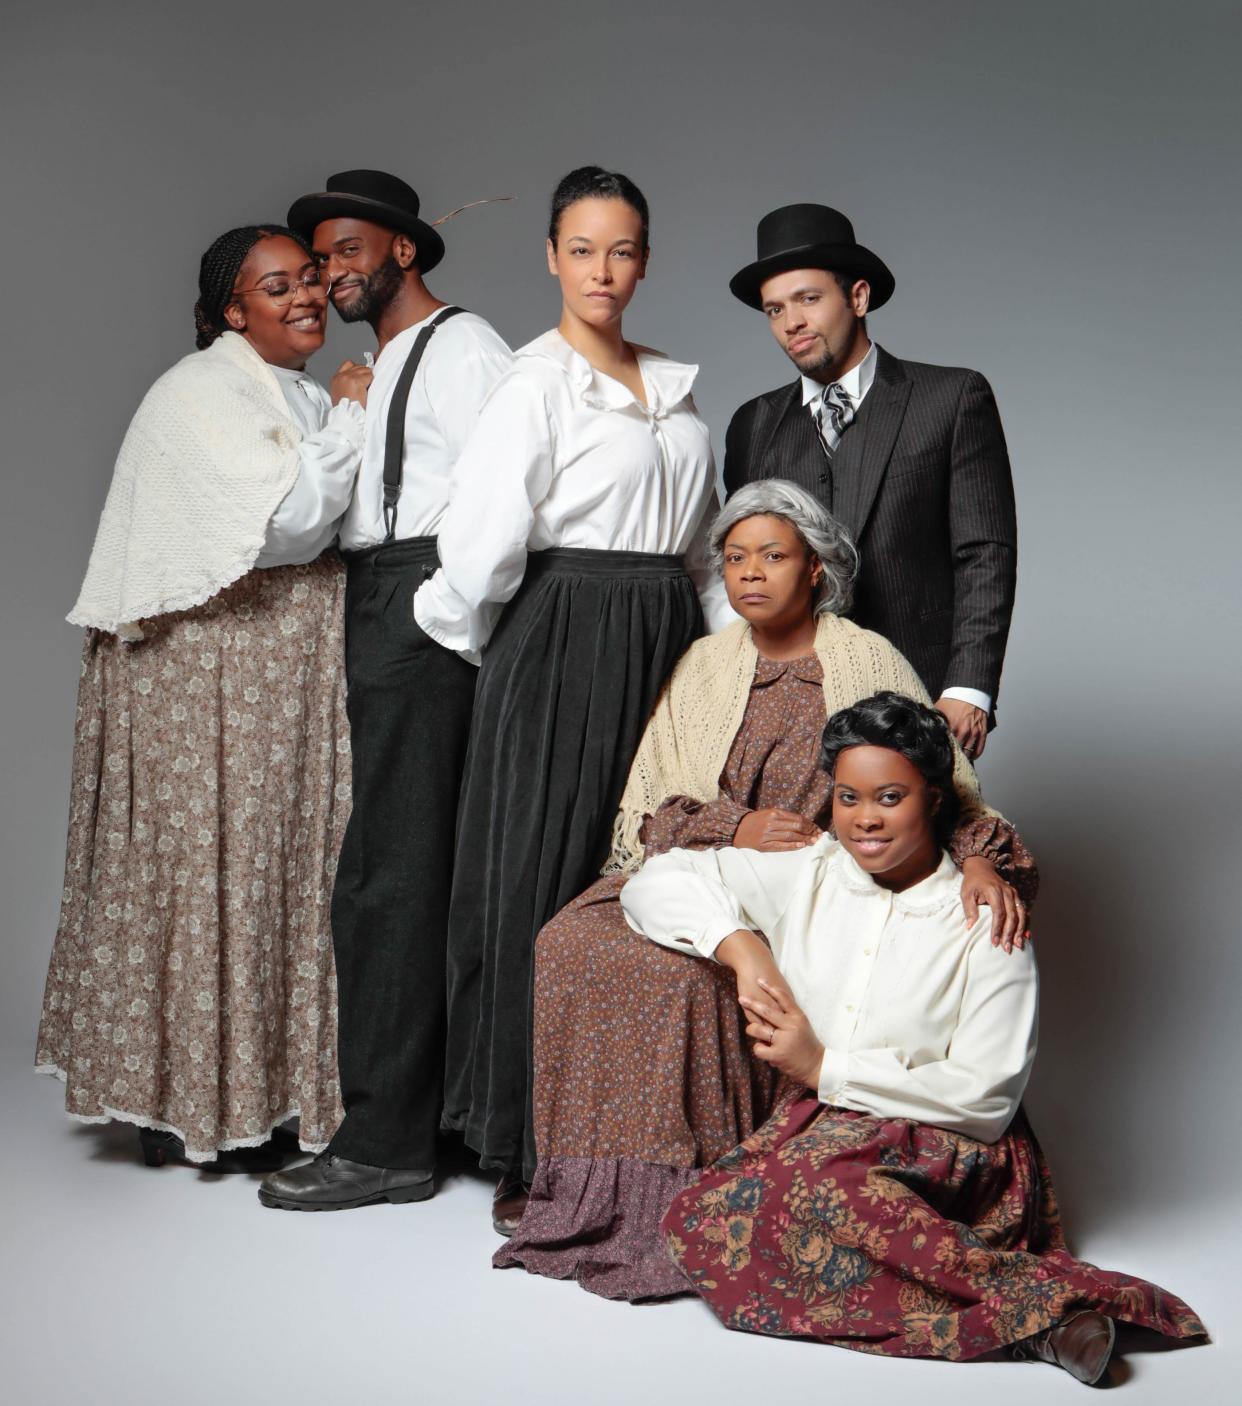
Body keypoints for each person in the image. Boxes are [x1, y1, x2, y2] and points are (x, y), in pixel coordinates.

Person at [496, 480, 1035, 1297]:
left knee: (674, 977)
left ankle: (675, 1193)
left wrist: (985, 858)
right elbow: (652, 802)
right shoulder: (708, 663)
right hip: (715, 861)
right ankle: (581, 1190)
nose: (751, 574)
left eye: (773, 556)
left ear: (816, 568)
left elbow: (931, 782)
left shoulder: (865, 656)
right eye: (735, 558)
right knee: (568, 942)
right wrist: (732, 825)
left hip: (814, 883)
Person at [623, 694, 1205, 1381]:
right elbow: (655, 881)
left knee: (807, 1194)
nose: (865, 818)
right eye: (847, 797)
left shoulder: (987, 915)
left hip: (952, 1144)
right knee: (698, 1219)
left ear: (932, 799)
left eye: (889, 797)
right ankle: (1032, 1323)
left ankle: (1055, 1316)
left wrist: (824, 1065)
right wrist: (742, 948)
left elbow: (985, 1099)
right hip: (829, 1132)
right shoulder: (812, 872)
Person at [414, 165, 732, 1232]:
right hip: (561, 638)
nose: (604, 269)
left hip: (667, 640)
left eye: (624, 249)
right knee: (540, 880)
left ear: (648, 260)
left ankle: (635, 1121)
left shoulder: (681, 391)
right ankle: (524, 1129)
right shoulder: (535, 383)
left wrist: (728, 661)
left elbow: (704, 554)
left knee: (650, 868)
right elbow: (480, 548)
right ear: (550, 256)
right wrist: (491, 654)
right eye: (584, 248)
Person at [36, 224, 370, 1171]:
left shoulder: (289, 389)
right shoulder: (199, 392)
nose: (306, 296)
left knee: (279, 871)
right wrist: (350, 419)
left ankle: (262, 1097)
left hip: (271, 670)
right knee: (205, 872)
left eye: (311, 277)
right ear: (233, 311)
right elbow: (289, 521)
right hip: (209, 677)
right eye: (278, 286)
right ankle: (180, 1097)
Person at [258, 171, 513, 1211]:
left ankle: (388, 1144)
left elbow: (509, 497)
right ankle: (414, 1124)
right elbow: (313, 524)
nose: (331, 274)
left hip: (420, 601)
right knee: (388, 874)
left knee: (392, 879)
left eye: (350, 250)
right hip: (377, 595)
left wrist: (439, 611)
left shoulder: (467, 348)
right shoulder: (384, 363)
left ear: (404, 250)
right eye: (320, 260)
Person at [723, 203, 1017, 760]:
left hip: (921, 695)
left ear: (858, 297)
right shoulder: (752, 426)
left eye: (809, 299)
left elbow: (985, 553)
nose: (792, 324)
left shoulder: (950, 399)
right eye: (774, 309)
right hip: (790, 707)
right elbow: (744, 565)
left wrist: (968, 688)